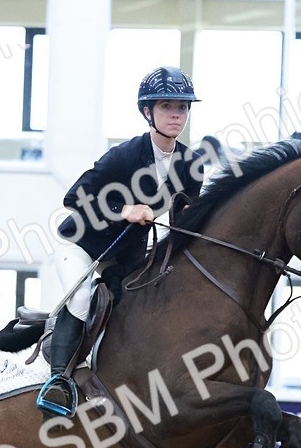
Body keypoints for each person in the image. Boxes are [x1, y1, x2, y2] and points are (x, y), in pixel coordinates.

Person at [37, 66, 205, 417]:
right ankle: (58, 382)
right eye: (167, 106)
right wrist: (123, 209)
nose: (177, 115)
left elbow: (186, 220)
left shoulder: (190, 163)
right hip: (83, 246)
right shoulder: (125, 155)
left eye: (183, 107)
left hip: (128, 253)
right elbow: (74, 197)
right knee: (82, 299)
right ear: (148, 112)